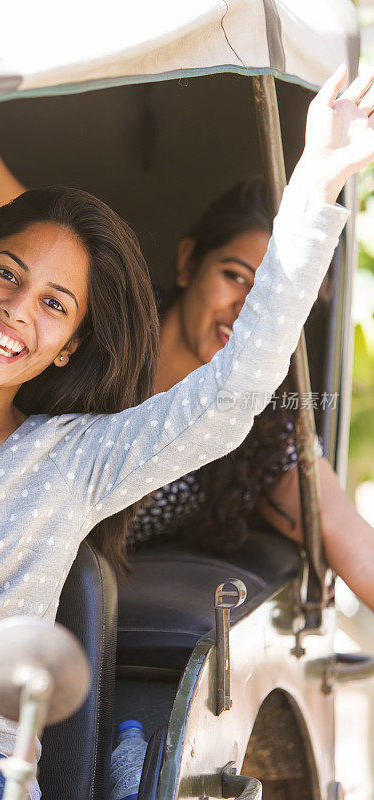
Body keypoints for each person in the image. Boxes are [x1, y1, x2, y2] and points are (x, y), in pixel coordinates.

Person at [0, 65, 374, 800]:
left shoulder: (70, 457)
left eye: (53, 303)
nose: (16, 310)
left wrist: (313, 184)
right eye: (5, 275)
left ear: (71, 342)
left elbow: (235, 391)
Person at [127, 176, 374, 612]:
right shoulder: (102, 340)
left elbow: (349, 538)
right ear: (188, 262)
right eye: (236, 276)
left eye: (271, 299)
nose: (248, 310)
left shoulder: (265, 423)